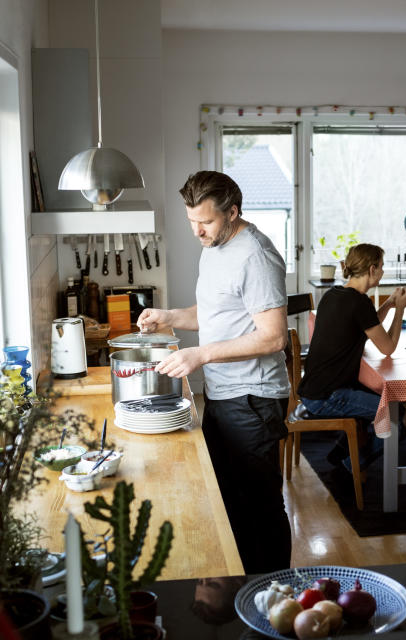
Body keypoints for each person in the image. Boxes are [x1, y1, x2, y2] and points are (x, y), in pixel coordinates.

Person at [136, 170, 291, 573]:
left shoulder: (256, 255)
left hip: (253, 398)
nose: (197, 232)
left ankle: (272, 593)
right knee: (230, 500)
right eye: (192, 221)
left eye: (205, 222)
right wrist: (170, 316)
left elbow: (274, 337)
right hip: (225, 394)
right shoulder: (215, 246)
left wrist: (200, 355)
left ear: (233, 212)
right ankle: (244, 587)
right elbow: (216, 312)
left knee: (259, 506)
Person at [297, 244, 406, 463]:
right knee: (397, 418)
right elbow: (387, 348)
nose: (382, 272)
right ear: (372, 269)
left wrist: (388, 303)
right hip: (327, 396)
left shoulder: (335, 294)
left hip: (314, 387)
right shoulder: (359, 302)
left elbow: (367, 324)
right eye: (381, 266)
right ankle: (352, 465)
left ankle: (343, 453)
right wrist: (400, 309)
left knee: (394, 411)